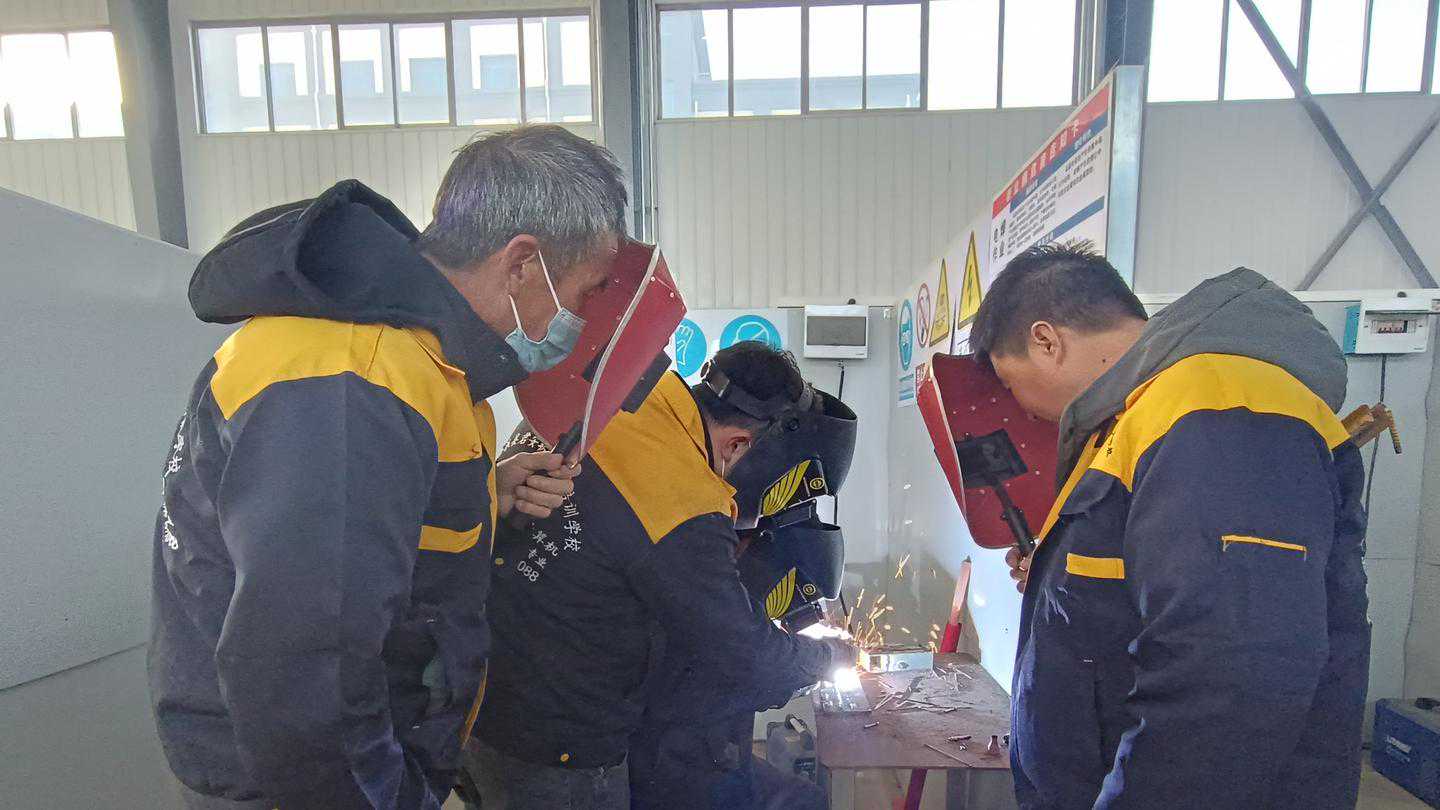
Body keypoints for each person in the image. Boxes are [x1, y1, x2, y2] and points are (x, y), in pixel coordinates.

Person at [149, 125, 629, 809]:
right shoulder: (354, 381)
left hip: (356, 761)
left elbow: (356, 545)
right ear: (523, 263)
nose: (581, 318)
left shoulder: (415, 362)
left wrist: (481, 496)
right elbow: (306, 671)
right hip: (303, 787)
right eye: (585, 292)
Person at [972, 243, 1370, 808]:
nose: (1022, 407)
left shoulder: (1222, 405)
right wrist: (1064, 579)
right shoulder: (1140, 415)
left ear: (1046, 341)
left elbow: (1232, 674)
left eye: (1011, 383)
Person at [464, 342, 857, 810]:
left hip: (481, 701)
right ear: (737, 444)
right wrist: (825, 658)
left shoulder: (617, 396)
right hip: (560, 748)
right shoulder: (682, 498)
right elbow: (742, 653)